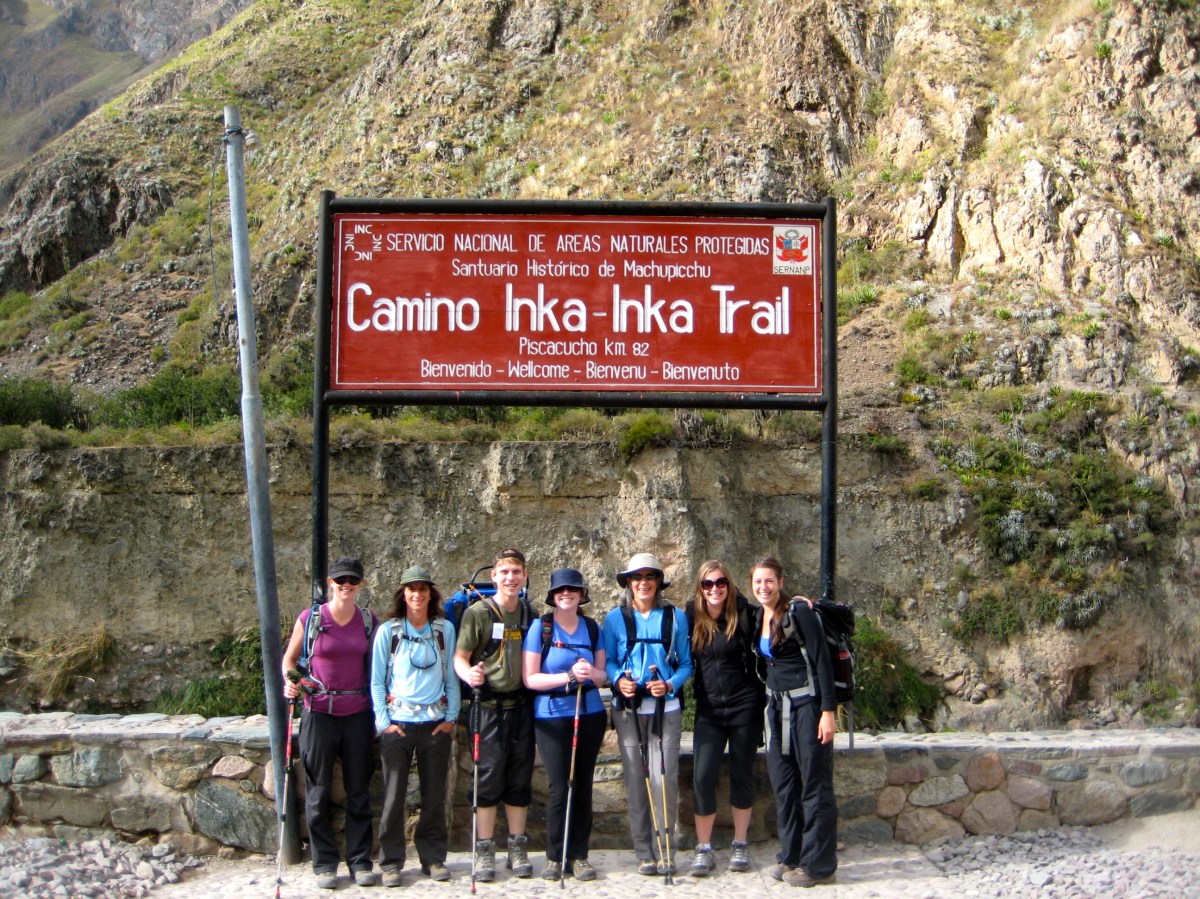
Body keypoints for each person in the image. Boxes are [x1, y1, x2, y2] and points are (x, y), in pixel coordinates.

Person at [281, 556, 379, 890]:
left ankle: (360, 861)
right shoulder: (310, 619)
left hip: (358, 713)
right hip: (318, 711)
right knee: (318, 790)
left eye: (352, 580)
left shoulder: (368, 621)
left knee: (359, 791)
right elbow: (290, 660)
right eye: (340, 581)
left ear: (360, 584)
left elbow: (379, 667)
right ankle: (324, 863)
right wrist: (291, 680)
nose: (346, 586)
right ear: (329, 583)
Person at [602, 552, 693, 876]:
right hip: (628, 711)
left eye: (649, 577)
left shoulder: (675, 617)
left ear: (658, 582)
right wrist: (619, 681)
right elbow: (609, 661)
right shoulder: (614, 619)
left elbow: (685, 664)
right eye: (637, 578)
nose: (643, 583)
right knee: (636, 781)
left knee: (663, 779)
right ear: (628, 582)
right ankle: (644, 852)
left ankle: (666, 847)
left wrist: (669, 684)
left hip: (664, 709)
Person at [369, 565, 460, 887]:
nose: (417, 595)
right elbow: (377, 681)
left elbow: (451, 676)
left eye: (423, 589)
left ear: (430, 594)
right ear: (403, 595)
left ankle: (433, 858)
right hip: (399, 726)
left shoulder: (443, 630)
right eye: (411, 589)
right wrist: (384, 723)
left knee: (434, 797)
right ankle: (391, 862)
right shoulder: (389, 632)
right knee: (393, 797)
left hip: (434, 725)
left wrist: (451, 720)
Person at [751, 556, 837, 888]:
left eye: (769, 581)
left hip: (807, 707)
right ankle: (791, 855)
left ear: (781, 582)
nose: (763, 587)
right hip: (775, 709)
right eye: (758, 582)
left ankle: (819, 864)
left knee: (814, 784)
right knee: (784, 784)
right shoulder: (759, 614)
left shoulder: (798, 612)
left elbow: (821, 661)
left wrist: (828, 712)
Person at [452, 548, 536, 881]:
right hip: (487, 708)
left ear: (525, 576)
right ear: (494, 577)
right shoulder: (478, 613)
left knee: (519, 778)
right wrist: (467, 674)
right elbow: (460, 656)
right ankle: (484, 848)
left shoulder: (530, 613)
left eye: (516, 572)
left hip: (521, 707)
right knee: (486, 779)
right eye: (504, 572)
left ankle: (517, 845)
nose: (511, 578)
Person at [522, 568, 607, 883]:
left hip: (590, 713)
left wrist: (590, 674)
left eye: (572, 589)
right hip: (552, 714)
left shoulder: (591, 628)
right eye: (560, 591)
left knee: (583, 785)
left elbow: (604, 675)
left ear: (582, 594)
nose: (566, 594)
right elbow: (530, 678)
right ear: (553, 596)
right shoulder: (540, 628)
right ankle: (554, 856)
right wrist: (569, 677)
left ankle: (579, 856)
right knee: (560, 787)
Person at [684, 560, 765, 876]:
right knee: (702, 776)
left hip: (745, 706)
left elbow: (775, 619)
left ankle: (740, 844)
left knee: (742, 773)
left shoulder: (745, 614)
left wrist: (800, 603)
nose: (714, 589)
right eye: (708, 584)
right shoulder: (691, 616)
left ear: (729, 585)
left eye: (720, 583)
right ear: (700, 588)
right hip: (709, 710)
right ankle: (703, 848)